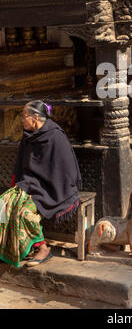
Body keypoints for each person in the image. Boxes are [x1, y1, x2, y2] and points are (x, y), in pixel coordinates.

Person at [0, 100, 82, 268]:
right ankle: (8, 248)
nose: (21, 120)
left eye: (24, 116)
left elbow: (66, 171)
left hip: (52, 189)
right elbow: (22, 165)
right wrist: (20, 186)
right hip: (29, 185)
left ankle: (43, 248)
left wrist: (42, 188)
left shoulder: (56, 137)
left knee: (25, 214)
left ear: (35, 117)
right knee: (2, 205)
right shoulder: (28, 137)